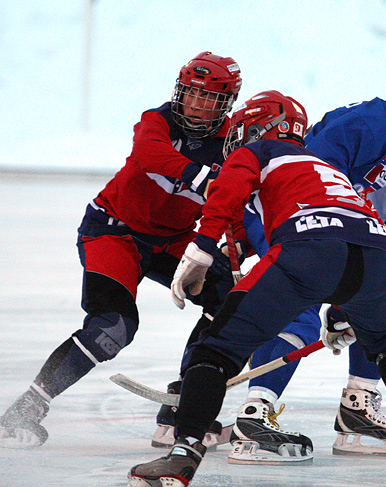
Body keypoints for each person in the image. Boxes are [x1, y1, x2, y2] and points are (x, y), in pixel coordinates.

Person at [128, 89, 386, 487]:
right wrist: (341, 310)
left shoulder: (262, 151)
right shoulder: (333, 158)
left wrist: (199, 252)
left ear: (260, 128)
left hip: (309, 247)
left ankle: (186, 453)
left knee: (217, 349)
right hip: (374, 251)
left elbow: (227, 193)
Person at [0, 52, 243, 448]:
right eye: (191, 94)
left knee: (232, 302)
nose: (196, 105)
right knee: (113, 326)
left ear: (227, 104)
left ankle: (184, 408)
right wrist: (204, 176)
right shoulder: (156, 120)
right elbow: (151, 154)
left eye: (209, 99)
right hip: (115, 230)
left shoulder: (233, 142)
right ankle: (27, 408)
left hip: (174, 238)